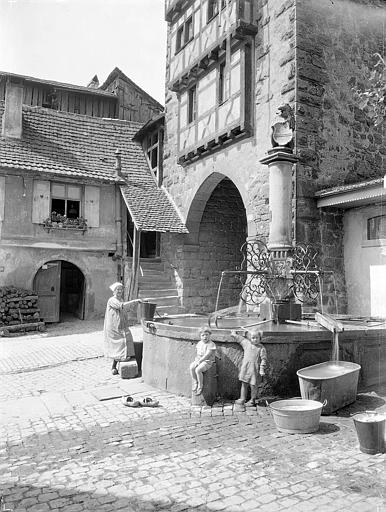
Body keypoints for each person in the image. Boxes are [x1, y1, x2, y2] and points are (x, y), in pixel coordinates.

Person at [104, 282, 142, 375]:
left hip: (122, 326)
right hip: (114, 327)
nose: (120, 291)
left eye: (121, 289)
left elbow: (125, 309)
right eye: (118, 289)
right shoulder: (112, 300)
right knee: (118, 345)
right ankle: (113, 367)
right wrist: (134, 301)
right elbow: (122, 306)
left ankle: (126, 360)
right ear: (114, 291)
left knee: (126, 341)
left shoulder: (120, 299)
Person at [230, 329, 267, 406]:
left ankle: (252, 400)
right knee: (244, 383)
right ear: (250, 338)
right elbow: (240, 339)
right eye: (253, 337)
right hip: (246, 368)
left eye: (257, 337)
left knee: (253, 385)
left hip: (254, 369)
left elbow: (263, 359)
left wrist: (262, 369)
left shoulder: (261, 348)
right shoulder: (247, 344)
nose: (255, 339)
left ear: (260, 338)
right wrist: (234, 334)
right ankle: (242, 398)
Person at [189, 326, 216, 395]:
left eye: (206, 335)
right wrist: (197, 361)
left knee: (198, 370)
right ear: (200, 336)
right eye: (202, 335)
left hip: (207, 361)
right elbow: (198, 354)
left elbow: (207, 355)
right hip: (199, 360)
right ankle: (195, 381)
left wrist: (200, 361)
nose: (205, 337)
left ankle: (200, 386)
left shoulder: (211, 344)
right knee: (192, 367)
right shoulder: (199, 343)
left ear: (210, 335)